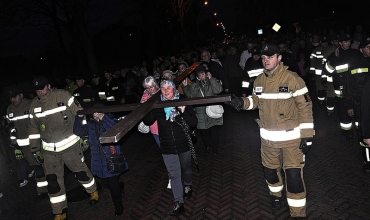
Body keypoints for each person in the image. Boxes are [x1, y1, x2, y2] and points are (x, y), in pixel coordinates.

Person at [226, 44, 314, 219]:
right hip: (267, 142)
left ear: (279, 58)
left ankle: (297, 212)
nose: (266, 60)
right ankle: (276, 195)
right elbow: (256, 101)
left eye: (270, 56)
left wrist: (307, 137)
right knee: (270, 173)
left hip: (291, 141)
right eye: (264, 57)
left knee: (294, 177)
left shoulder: (293, 79)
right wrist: (242, 104)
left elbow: (305, 108)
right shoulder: (259, 80)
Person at [28, 76, 98, 220]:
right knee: (53, 182)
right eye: (37, 90)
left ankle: (93, 191)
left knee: (80, 172)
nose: (40, 92)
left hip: (70, 146)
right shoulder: (34, 106)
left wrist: (84, 136)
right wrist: (35, 149)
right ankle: (59, 211)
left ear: (48, 86)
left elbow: (80, 113)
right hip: (49, 151)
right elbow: (33, 129)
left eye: (42, 88)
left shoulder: (63, 95)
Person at [143, 80, 197, 216]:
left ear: (174, 89)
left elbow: (194, 122)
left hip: (183, 143)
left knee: (186, 168)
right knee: (174, 175)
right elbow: (148, 121)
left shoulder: (183, 100)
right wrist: (146, 107)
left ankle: (188, 185)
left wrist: (184, 111)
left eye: (169, 88)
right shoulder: (158, 105)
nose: (166, 91)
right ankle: (179, 203)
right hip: (167, 146)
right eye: (163, 88)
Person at [74, 106, 126, 217]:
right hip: (98, 160)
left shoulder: (110, 119)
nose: (95, 114)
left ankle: (118, 207)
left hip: (111, 159)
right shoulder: (91, 125)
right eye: (93, 112)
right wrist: (79, 116)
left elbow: (117, 128)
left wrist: (104, 117)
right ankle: (119, 186)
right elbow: (78, 131)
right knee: (106, 184)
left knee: (113, 185)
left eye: (98, 112)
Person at [6, 87, 48, 198]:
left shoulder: (31, 104)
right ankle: (43, 190)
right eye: (11, 98)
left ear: (21, 95)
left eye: (15, 97)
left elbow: (40, 122)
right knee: (37, 167)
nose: (13, 100)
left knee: (45, 166)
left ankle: (51, 187)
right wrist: (16, 146)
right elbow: (11, 129)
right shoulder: (10, 109)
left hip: (38, 143)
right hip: (24, 146)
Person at [324, 33, 362, 141]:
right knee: (344, 114)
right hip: (341, 90)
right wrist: (333, 60)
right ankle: (347, 133)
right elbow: (327, 70)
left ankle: (361, 131)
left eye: (349, 41)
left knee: (358, 111)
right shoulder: (334, 56)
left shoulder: (355, 53)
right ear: (340, 43)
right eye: (345, 42)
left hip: (355, 88)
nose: (348, 43)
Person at [182, 65, 223, 155]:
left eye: (203, 73)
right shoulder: (195, 85)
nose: (201, 76)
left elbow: (218, 90)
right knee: (204, 134)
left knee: (214, 132)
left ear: (206, 73)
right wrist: (185, 87)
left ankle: (214, 148)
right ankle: (207, 146)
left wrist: (211, 79)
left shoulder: (212, 81)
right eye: (199, 74)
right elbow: (190, 97)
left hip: (213, 112)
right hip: (201, 113)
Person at [344, 39, 370, 172]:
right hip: (360, 105)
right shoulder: (354, 65)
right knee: (363, 133)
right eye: (367, 47)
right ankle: (367, 160)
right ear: (361, 50)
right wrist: (349, 106)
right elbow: (348, 87)